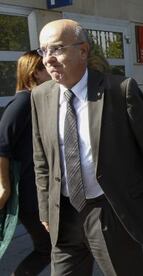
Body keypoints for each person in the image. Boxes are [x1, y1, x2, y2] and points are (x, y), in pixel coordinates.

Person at [31, 19, 143, 275]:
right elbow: (42, 158)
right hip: (64, 216)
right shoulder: (41, 95)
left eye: (57, 49)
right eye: (44, 51)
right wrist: (45, 207)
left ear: (83, 50)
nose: (48, 59)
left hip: (110, 212)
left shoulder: (119, 90)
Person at [0, 50, 51, 275]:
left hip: (38, 192)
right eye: (47, 66)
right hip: (28, 195)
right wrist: (4, 186)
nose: (53, 69)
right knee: (47, 248)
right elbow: (1, 146)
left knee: (52, 246)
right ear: (36, 73)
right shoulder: (22, 103)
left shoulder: (37, 100)